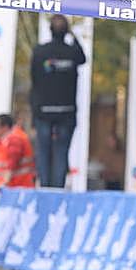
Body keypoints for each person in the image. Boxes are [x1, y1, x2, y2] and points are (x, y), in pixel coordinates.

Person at [30, 14, 86, 188]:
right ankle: (57, 190)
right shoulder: (71, 52)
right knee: (61, 152)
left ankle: (45, 188)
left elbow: (34, 79)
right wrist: (73, 36)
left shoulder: (39, 52)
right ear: (66, 31)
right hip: (66, 111)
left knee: (44, 152)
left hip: (43, 110)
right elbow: (83, 58)